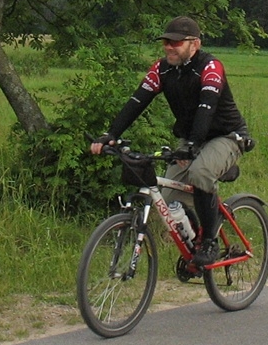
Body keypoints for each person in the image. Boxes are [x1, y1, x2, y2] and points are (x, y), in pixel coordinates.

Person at [91, 16, 251, 268]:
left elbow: (206, 108)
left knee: (200, 173)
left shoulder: (210, 67)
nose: (168, 47)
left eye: (176, 43)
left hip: (226, 136)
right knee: (169, 199)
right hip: (191, 139)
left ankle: (210, 241)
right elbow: (137, 101)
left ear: (194, 44)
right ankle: (195, 242)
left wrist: (193, 146)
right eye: (166, 41)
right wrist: (111, 135)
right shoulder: (162, 69)